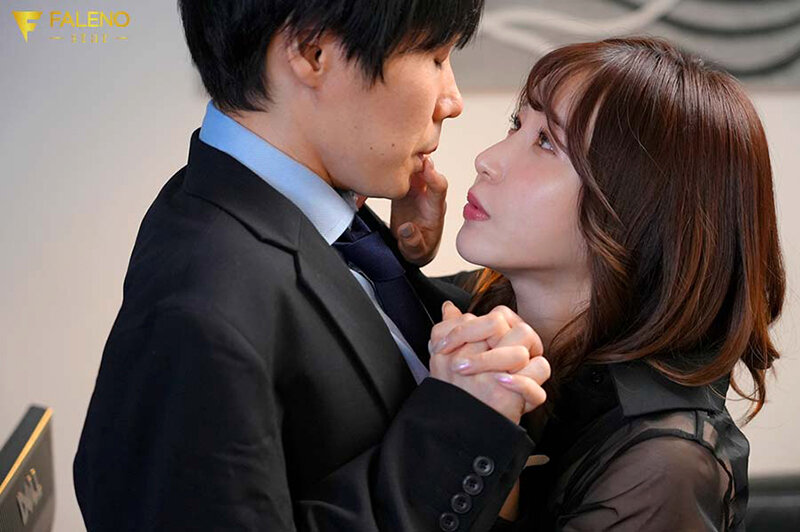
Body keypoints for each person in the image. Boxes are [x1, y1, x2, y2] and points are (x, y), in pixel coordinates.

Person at [72, 1, 551, 530]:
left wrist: (403, 267)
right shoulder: (199, 307)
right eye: (435, 57)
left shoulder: (295, 209)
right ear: (312, 52)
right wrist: (462, 428)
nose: (452, 100)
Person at [429, 37, 785, 530]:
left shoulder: (664, 465)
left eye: (546, 142)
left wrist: (480, 444)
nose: (487, 159)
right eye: (516, 124)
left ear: (636, 211)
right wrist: (393, 252)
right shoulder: (479, 303)